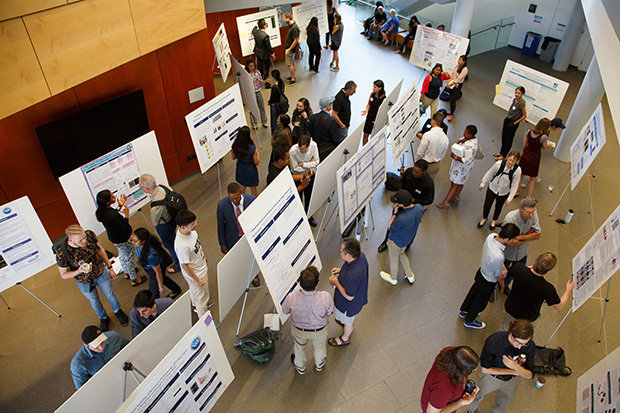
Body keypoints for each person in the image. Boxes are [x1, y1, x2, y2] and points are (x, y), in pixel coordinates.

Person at [56, 225, 129, 331]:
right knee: (94, 300)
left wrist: (110, 267)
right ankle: (103, 317)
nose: (84, 241)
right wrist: (78, 271)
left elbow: (100, 251)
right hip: (84, 281)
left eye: (84, 237)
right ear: (70, 239)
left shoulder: (90, 235)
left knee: (109, 293)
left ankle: (118, 310)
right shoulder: (62, 253)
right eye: (80, 240)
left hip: (100, 272)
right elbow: (63, 275)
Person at [459, 223, 520, 329]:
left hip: (481, 273)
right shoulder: (498, 256)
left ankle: (464, 310)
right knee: (480, 302)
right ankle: (470, 320)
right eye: (513, 239)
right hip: (488, 281)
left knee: (473, 293)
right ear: (507, 238)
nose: (514, 242)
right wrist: (502, 286)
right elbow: (499, 275)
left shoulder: (491, 237)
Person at [467, 319, 536, 413]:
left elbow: (530, 375)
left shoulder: (529, 346)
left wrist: (516, 367)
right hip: (491, 378)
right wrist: (515, 371)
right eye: (518, 342)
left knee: (504, 402)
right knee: (477, 395)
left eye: (524, 344)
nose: (520, 347)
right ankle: (471, 411)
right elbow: (485, 369)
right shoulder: (494, 342)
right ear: (511, 333)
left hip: (511, 380)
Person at [502, 252, 575, 330]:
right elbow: (559, 306)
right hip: (528, 317)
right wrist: (568, 290)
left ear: (536, 260)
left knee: (505, 328)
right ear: (549, 269)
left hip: (511, 309)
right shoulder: (547, 288)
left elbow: (510, 273)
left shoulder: (519, 268)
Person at [282, 266, 334, 374]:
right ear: (317, 282)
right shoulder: (325, 296)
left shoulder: (292, 297)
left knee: (299, 348)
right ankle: (319, 365)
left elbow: (285, 311)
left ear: (300, 283)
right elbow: (330, 312)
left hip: (299, 330)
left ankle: (300, 367)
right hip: (319, 330)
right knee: (320, 347)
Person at [377, 160, 434, 253]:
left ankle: (407, 246)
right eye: (414, 170)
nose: (414, 173)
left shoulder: (429, 184)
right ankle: (385, 242)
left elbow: (429, 200)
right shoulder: (409, 173)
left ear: (424, 172)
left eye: (417, 172)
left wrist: (413, 200)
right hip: (401, 203)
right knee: (393, 221)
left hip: (414, 207)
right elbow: (402, 183)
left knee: (411, 227)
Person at [95, 190, 145, 286]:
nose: (114, 196)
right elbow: (123, 227)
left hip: (115, 238)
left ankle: (127, 272)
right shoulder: (111, 215)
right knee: (129, 257)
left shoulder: (103, 212)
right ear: (107, 202)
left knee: (122, 254)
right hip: (122, 238)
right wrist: (126, 215)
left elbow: (114, 215)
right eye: (112, 197)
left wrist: (120, 206)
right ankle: (134, 279)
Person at [328, 238, 369, 347]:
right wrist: (341, 270)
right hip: (356, 298)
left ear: (349, 255)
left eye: (341, 251)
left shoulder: (352, 277)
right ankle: (344, 323)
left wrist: (336, 282)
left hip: (348, 306)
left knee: (348, 322)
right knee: (346, 320)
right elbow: (350, 267)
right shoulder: (361, 256)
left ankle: (344, 338)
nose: (340, 252)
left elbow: (350, 296)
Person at [216, 182, 258, 286]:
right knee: (237, 259)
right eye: (231, 199)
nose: (234, 201)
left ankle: (254, 275)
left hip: (248, 236)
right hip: (232, 238)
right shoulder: (222, 205)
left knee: (251, 256)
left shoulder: (251, 200)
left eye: (236, 198)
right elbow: (220, 226)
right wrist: (222, 243)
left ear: (241, 192)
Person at [379, 190, 424, 285]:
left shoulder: (401, 219)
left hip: (395, 241)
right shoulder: (419, 208)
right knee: (402, 254)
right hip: (407, 238)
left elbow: (390, 227)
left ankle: (393, 278)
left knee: (394, 259)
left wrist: (395, 213)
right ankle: (410, 276)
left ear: (401, 205)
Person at [139, 174, 181, 273]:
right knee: (174, 237)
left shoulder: (155, 206)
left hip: (164, 226)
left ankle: (178, 264)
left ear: (146, 188)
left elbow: (154, 222)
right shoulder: (163, 187)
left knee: (169, 245)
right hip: (172, 219)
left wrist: (152, 221)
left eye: (141, 187)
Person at [174, 210, 212, 317]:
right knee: (202, 301)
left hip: (200, 266)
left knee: (196, 292)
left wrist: (203, 256)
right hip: (197, 274)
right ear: (183, 227)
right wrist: (197, 280)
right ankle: (205, 322)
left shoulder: (191, 232)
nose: (196, 225)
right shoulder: (182, 246)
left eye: (195, 222)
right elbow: (184, 265)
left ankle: (195, 304)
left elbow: (197, 245)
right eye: (192, 224)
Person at [421, 346, 480, 413]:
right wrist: (461, 402)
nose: (476, 369)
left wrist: (464, 383)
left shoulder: (448, 353)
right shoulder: (445, 388)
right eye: (471, 369)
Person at [501, 197, 541, 293]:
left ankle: (504, 285)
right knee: (500, 272)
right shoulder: (510, 219)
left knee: (515, 273)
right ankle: (494, 288)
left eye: (533, 212)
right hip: (508, 254)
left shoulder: (533, 214)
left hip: (522, 253)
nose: (531, 215)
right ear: (520, 208)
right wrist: (528, 235)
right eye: (528, 212)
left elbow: (538, 235)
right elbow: (510, 243)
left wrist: (519, 237)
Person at [70, 325, 129, 389]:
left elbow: (129, 348)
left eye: (102, 342)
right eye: (96, 345)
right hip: (103, 385)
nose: (101, 348)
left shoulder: (114, 337)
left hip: (123, 371)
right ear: (86, 345)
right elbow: (81, 388)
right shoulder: (78, 364)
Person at [436, 125, 479, 209]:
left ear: (470, 134)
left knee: (455, 184)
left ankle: (445, 202)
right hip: (461, 167)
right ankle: (455, 196)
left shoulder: (470, 146)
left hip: (462, 168)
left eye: (466, 132)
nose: (464, 133)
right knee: (460, 182)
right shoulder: (468, 139)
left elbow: (467, 160)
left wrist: (455, 157)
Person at [131, 227, 182, 300]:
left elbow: (158, 272)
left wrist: (160, 286)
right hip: (151, 268)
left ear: (143, 241)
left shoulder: (151, 255)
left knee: (154, 293)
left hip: (155, 269)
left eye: (135, 241)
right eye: (132, 240)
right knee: (163, 278)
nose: (132, 242)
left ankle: (158, 302)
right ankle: (176, 290)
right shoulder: (140, 248)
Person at [478, 151, 522, 230]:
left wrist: (509, 198)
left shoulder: (517, 170)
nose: (510, 162)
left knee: (498, 207)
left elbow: (515, 185)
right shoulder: (499, 164)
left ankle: (494, 220)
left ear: (517, 161)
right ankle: (484, 218)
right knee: (487, 205)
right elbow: (490, 173)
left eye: (513, 161)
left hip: (504, 192)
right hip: (493, 187)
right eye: (510, 160)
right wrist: (483, 183)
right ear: (507, 157)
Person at [516, 118, 553, 198]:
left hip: (525, 156)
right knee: (533, 179)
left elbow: (524, 144)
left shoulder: (529, 131)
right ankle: (528, 195)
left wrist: (524, 153)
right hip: (534, 158)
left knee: (521, 175)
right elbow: (545, 147)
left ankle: (516, 191)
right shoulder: (543, 137)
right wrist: (549, 146)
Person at [289, 134, 319, 226]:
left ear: (308, 145)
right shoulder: (293, 151)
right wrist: (309, 164)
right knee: (297, 197)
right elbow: (294, 169)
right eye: (300, 148)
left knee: (309, 196)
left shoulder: (313, 145)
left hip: (310, 174)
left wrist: (303, 164)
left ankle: (309, 216)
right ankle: (297, 218)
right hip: (298, 177)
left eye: (303, 149)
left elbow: (317, 162)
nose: (301, 151)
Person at [415, 112, 450, 179]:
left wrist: (417, 163)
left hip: (425, 164)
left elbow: (420, 152)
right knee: (429, 182)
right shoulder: (445, 138)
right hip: (436, 166)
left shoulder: (428, 135)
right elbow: (443, 155)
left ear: (433, 121)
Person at [497, 86, 527, 158]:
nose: (517, 94)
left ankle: (504, 155)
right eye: (516, 92)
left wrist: (515, 123)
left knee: (509, 139)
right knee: (504, 137)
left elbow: (524, 115)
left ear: (522, 94)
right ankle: (501, 153)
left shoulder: (522, 103)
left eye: (519, 93)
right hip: (508, 119)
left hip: (513, 122)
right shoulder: (514, 100)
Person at [309, 96, 341, 160]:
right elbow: (336, 138)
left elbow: (310, 132)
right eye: (330, 104)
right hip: (328, 150)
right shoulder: (330, 120)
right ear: (327, 107)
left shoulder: (313, 117)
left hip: (318, 149)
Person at [231, 126, 259, 196]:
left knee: (242, 188)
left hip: (240, 168)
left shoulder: (235, 146)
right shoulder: (252, 148)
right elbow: (256, 162)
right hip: (250, 169)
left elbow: (233, 157)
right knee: (253, 189)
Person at [245, 59, 268, 128]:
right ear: (247, 67)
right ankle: (254, 123)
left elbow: (261, 82)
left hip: (258, 91)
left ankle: (264, 121)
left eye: (253, 65)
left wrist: (265, 81)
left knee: (262, 107)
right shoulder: (246, 75)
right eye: (250, 66)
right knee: (252, 109)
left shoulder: (257, 72)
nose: (252, 67)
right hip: (251, 93)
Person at [361, 79, 386, 145]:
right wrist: (366, 111)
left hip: (375, 120)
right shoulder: (372, 94)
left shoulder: (383, 99)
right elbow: (369, 104)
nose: (373, 88)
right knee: (365, 135)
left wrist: (378, 120)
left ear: (380, 88)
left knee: (373, 138)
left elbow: (382, 111)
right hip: (369, 118)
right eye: (373, 86)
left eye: (375, 87)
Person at [446, 55, 468, 121]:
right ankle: (459, 95)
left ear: (464, 62)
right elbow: (452, 74)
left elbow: (459, 79)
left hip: (457, 84)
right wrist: (449, 81)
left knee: (453, 99)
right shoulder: (456, 66)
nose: (459, 61)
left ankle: (451, 114)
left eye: (460, 60)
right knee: (451, 95)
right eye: (459, 59)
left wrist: (451, 83)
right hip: (452, 83)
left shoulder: (465, 69)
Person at [252, 18, 274, 83]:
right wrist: (272, 54)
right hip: (264, 54)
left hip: (258, 53)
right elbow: (268, 47)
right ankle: (266, 83)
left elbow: (253, 30)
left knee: (260, 67)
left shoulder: (255, 32)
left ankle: (260, 81)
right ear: (264, 26)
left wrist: (256, 25)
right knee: (266, 69)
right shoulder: (265, 36)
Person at [266, 69, 286, 135]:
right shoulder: (281, 82)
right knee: (280, 119)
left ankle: (275, 134)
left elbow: (272, 98)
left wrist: (269, 102)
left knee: (274, 121)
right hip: (281, 104)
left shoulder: (274, 87)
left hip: (275, 105)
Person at [283, 12, 300, 86]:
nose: (284, 20)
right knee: (292, 62)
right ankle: (292, 76)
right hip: (290, 49)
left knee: (290, 64)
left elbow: (296, 40)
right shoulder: (291, 26)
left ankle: (293, 78)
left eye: (284, 18)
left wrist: (289, 49)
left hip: (290, 49)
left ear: (288, 18)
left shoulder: (294, 27)